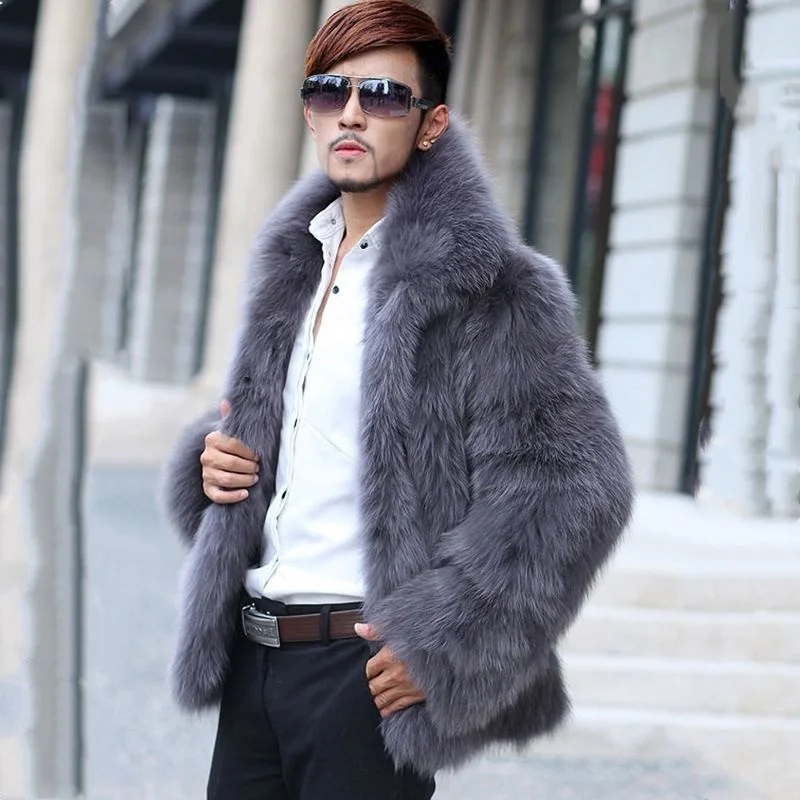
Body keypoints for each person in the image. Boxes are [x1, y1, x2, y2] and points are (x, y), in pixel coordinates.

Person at [161, 2, 634, 798]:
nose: (350, 114)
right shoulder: (292, 267)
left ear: (430, 124)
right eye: (329, 91)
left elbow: (574, 488)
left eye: (381, 95)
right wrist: (211, 466)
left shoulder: (495, 288)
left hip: (362, 675)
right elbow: (305, 443)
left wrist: (447, 645)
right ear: (310, 113)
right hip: (254, 665)